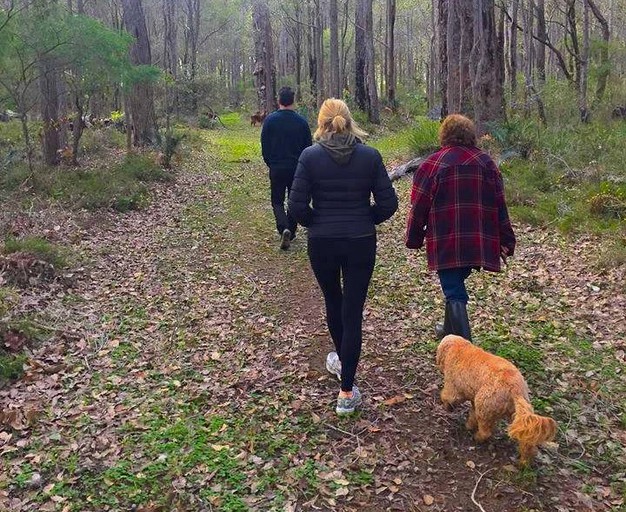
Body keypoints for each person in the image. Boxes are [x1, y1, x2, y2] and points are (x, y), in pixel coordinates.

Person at [289, 98, 398, 415]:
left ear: (321, 123)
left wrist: (317, 223)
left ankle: (342, 364)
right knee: (352, 310)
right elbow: (389, 204)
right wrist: (365, 219)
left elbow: (295, 207)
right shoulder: (370, 156)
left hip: (322, 243)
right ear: (349, 121)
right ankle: (347, 391)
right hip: (360, 242)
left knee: (333, 304)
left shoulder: (309, 157)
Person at [405, 114, 516, 341]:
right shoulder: (486, 163)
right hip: (478, 240)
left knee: (453, 290)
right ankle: (448, 331)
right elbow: (500, 204)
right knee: (454, 284)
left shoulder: (432, 164)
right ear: (470, 135)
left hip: (446, 240)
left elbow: (418, 206)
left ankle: (467, 351)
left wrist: (414, 237)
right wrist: (506, 239)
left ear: (444, 135)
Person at [261, 86, 312, 250]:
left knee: (277, 200)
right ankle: (291, 229)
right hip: (297, 168)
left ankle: (284, 228)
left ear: (279, 101)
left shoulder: (270, 120)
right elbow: (308, 147)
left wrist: (270, 162)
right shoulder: (302, 122)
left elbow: (265, 145)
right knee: (294, 200)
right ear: (293, 101)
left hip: (276, 167)